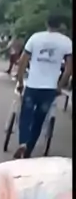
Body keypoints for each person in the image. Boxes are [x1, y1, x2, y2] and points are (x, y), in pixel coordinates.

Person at [14, 14, 72, 159]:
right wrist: (60, 86)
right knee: (39, 120)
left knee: (26, 115)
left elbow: (22, 61)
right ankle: (28, 150)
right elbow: (69, 69)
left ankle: (23, 142)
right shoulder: (66, 42)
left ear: (47, 23)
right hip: (49, 89)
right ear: (61, 26)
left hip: (32, 85)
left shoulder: (35, 38)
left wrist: (20, 82)